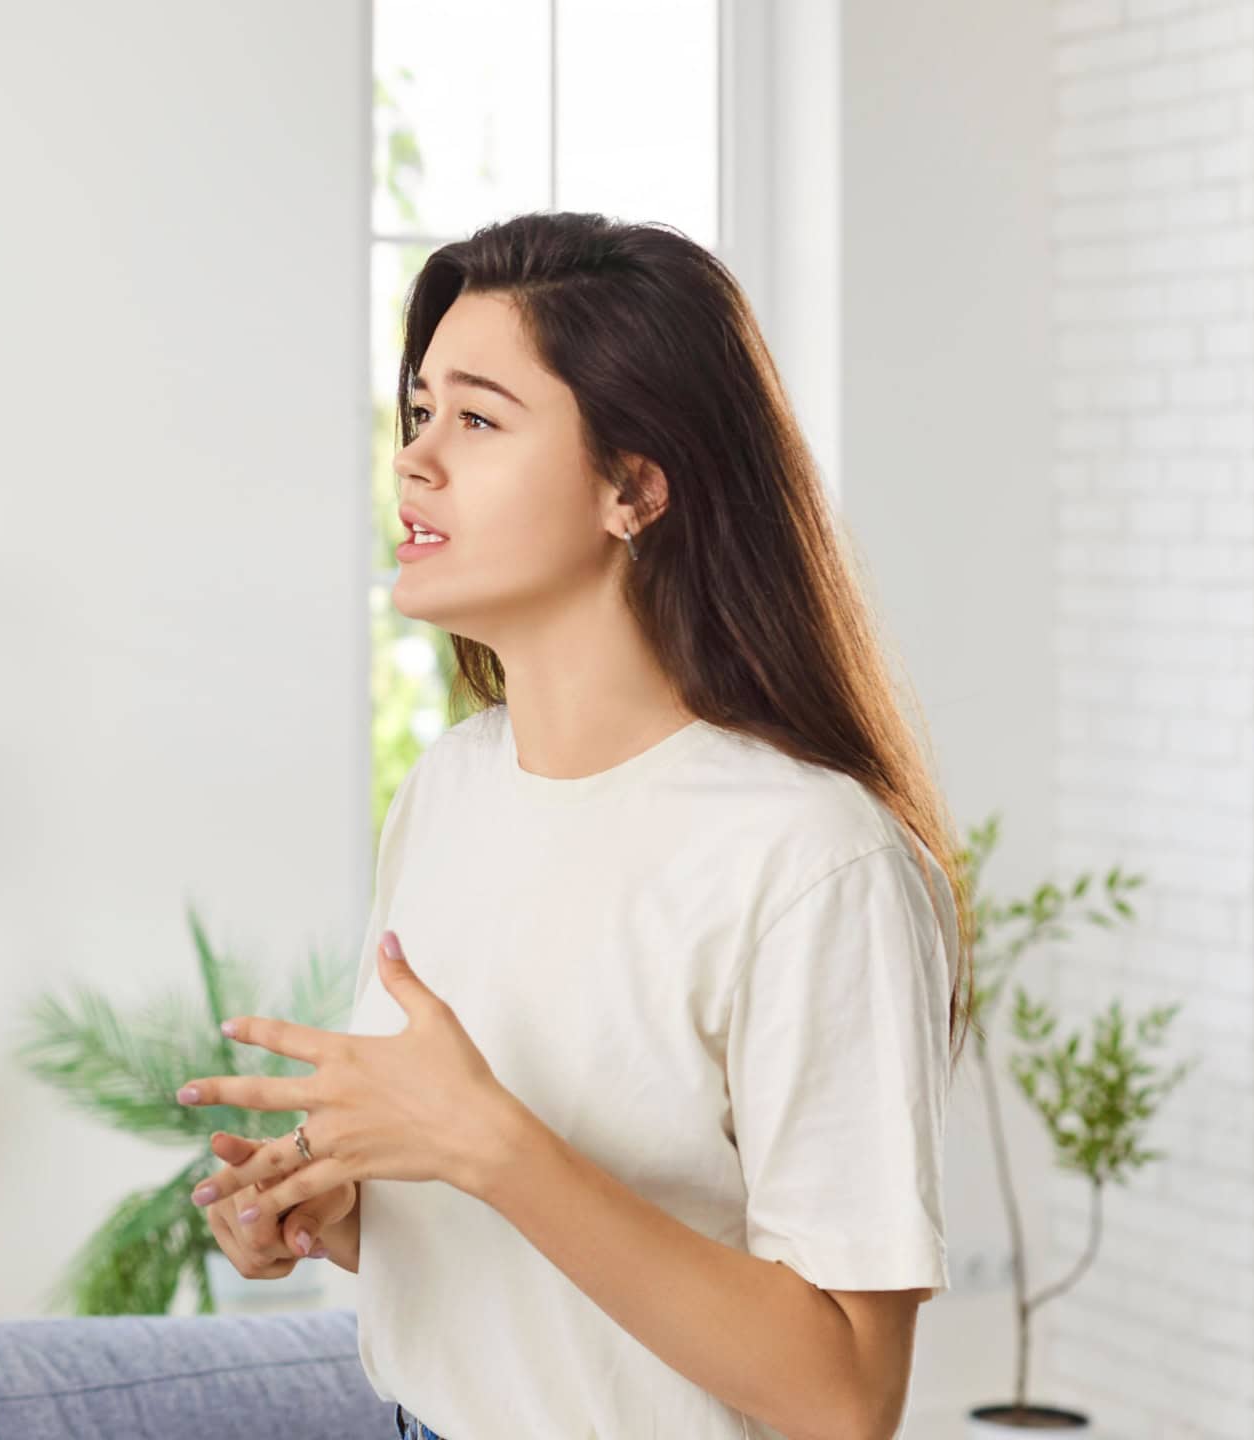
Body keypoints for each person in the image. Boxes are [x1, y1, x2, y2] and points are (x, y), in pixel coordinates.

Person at [183, 213, 967, 1439]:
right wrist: (329, 1216)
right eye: (419, 413)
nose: (415, 461)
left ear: (633, 488)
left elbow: (844, 1397)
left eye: (479, 420)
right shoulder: (448, 787)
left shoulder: (812, 857)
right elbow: (514, 1282)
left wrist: (492, 1146)